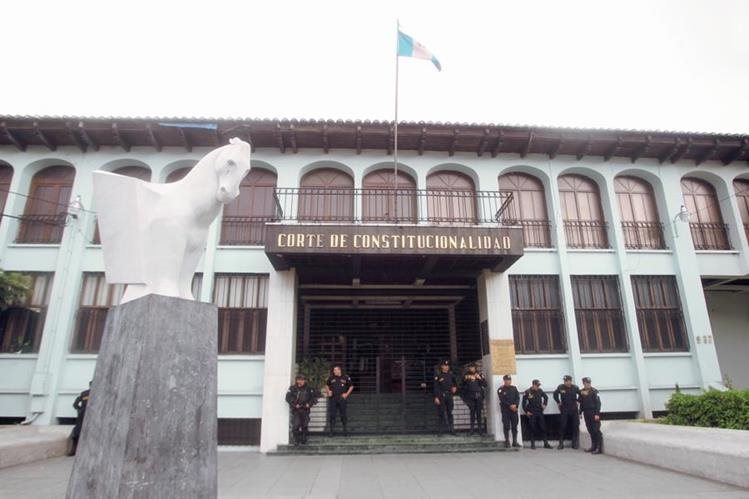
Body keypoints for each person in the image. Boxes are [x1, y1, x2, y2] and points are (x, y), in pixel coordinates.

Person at [285, 374, 319, 446]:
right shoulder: (292, 388)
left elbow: (313, 398)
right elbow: (287, 398)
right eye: (299, 380)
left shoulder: (309, 388)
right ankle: (296, 440)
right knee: (295, 425)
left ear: (304, 381)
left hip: (305, 410)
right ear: (297, 381)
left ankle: (304, 439)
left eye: (302, 380)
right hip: (296, 410)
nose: (301, 381)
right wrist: (294, 404)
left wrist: (309, 404)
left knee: (304, 425)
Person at [522, 379, 552, 449]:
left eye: (538, 386)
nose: (538, 387)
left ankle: (546, 443)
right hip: (532, 412)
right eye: (537, 385)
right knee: (532, 428)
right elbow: (523, 403)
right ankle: (532, 444)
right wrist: (526, 411)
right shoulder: (527, 392)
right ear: (533, 385)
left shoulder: (540, 390)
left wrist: (544, 404)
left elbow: (546, 397)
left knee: (543, 427)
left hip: (539, 412)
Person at [553, 374, 580, 449]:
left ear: (570, 381)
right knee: (563, 425)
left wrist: (578, 401)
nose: (565, 382)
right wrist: (558, 402)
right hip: (564, 408)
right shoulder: (561, 387)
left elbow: (581, 395)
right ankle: (561, 443)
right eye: (565, 381)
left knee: (575, 425)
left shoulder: (575, 387)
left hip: (573, 409)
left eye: (567, 381)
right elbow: (555, 394)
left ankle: (574, 443)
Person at [326, 364, 353, 436]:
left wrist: (346, 394)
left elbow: (351, 386)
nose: (334, 371)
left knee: (343, 414)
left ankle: (345, 431)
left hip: (342, 398)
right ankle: (331, 431)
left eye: (335, 370)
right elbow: (327, 385)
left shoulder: (345, 377)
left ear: (339, 370)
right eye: (334, 370)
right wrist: (328, 391)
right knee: (332, 415)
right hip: (333, 398)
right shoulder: (331, 377)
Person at [460, 363, 487, 435]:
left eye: (473, 367)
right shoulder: (466, 375)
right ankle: (471, 430)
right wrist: (465, 379)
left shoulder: (480, 374)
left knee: (478, 413)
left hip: (478, 396)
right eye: (470, 367)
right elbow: (461, 385)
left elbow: (485, 384)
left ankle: (480, 430)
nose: (471, 368)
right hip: (470, 396)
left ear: (475, 368)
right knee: (472, 413)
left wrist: (479, 378)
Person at [580, 376, 603, 454]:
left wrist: (597, 414)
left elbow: (598, 403)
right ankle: (593, 446)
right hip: (586, 413)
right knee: (590, 429)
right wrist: (580, 412)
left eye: (589, 383)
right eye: (586, 383)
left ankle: (599, 448)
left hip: (593, 412)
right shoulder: (582, 391)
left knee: (596, 430)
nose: (588, 384)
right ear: (583, 383)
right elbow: (581, 402)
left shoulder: (594, 391)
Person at [433, 359, 457, 435]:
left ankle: (452, 430)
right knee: (441, 413)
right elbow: (436, 387)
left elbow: (455, 383)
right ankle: (440, 431)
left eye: (447, 366)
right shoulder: (438, 376)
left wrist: (455, 387)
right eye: (445, 365)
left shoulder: (451, 375)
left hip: (449, 396)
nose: (446, 367)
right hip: (441, 396)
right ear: (441, 366)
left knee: (450, 413)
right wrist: (436, 397)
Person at [497, 374, 521, 448]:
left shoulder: (514, 388)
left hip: (514, 410)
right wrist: (510, 406)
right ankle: (507, 441)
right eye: (506, 380)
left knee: (514, 426)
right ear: (504, 381)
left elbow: (517, 397)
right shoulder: (500, 389)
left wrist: (515, 405)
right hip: (506, 411)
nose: (508, 381)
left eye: (509, 380)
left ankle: (515, 442)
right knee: (506, 426)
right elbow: (502, 400)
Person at [68, 382, 91, 456]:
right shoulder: (98, 393)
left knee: (77, 432)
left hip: (82, 415)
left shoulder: (84, 393)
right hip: (92, 415)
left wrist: (80, 409)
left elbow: (75, 404)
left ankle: (73, 450)